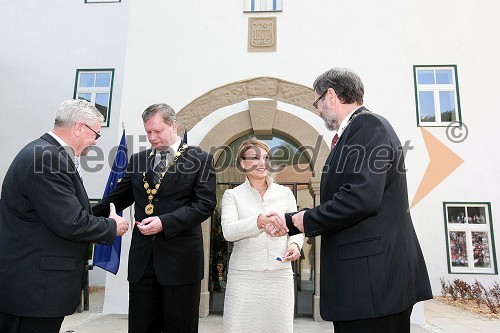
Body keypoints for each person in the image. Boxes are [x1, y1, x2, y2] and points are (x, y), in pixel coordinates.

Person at [286, 68, 433, 333]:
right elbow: (347, 197)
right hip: (368, 286)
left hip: (373, 284)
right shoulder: (357, 132)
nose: (318, 111)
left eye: (317, 102)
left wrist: (308, 219)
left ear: (331, 95)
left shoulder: (367, 126)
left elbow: (361, 197)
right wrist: (293, 220)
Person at [0, 99, 129, 333]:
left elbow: (62, 212)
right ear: (79, 128)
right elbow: (70, 223)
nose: (95, 143)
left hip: (35, 288)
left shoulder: (47, 153)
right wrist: (112, 226)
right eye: (96, 135)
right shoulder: (46, 158)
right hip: (34, 291)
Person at [92, 103, 217, 333]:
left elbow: (205, 205)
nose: (152, 137)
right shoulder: (138, 160)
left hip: (180, 262)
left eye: (157, 131)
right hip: (143, 263)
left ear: (174, 125)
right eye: (148, 132)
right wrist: (82, 216)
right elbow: (116, 198)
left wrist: (164, 222)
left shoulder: (200, 159)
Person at [221, 138, 304, 333]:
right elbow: (229, 231)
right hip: (244, 276)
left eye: (266, 158)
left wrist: (295, 246)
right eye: (255, 158)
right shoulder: (232, 195)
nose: (262, 163)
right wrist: (259, 221)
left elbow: (296, 229)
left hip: (279, 275)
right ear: (242, 163)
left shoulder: (285, 194)